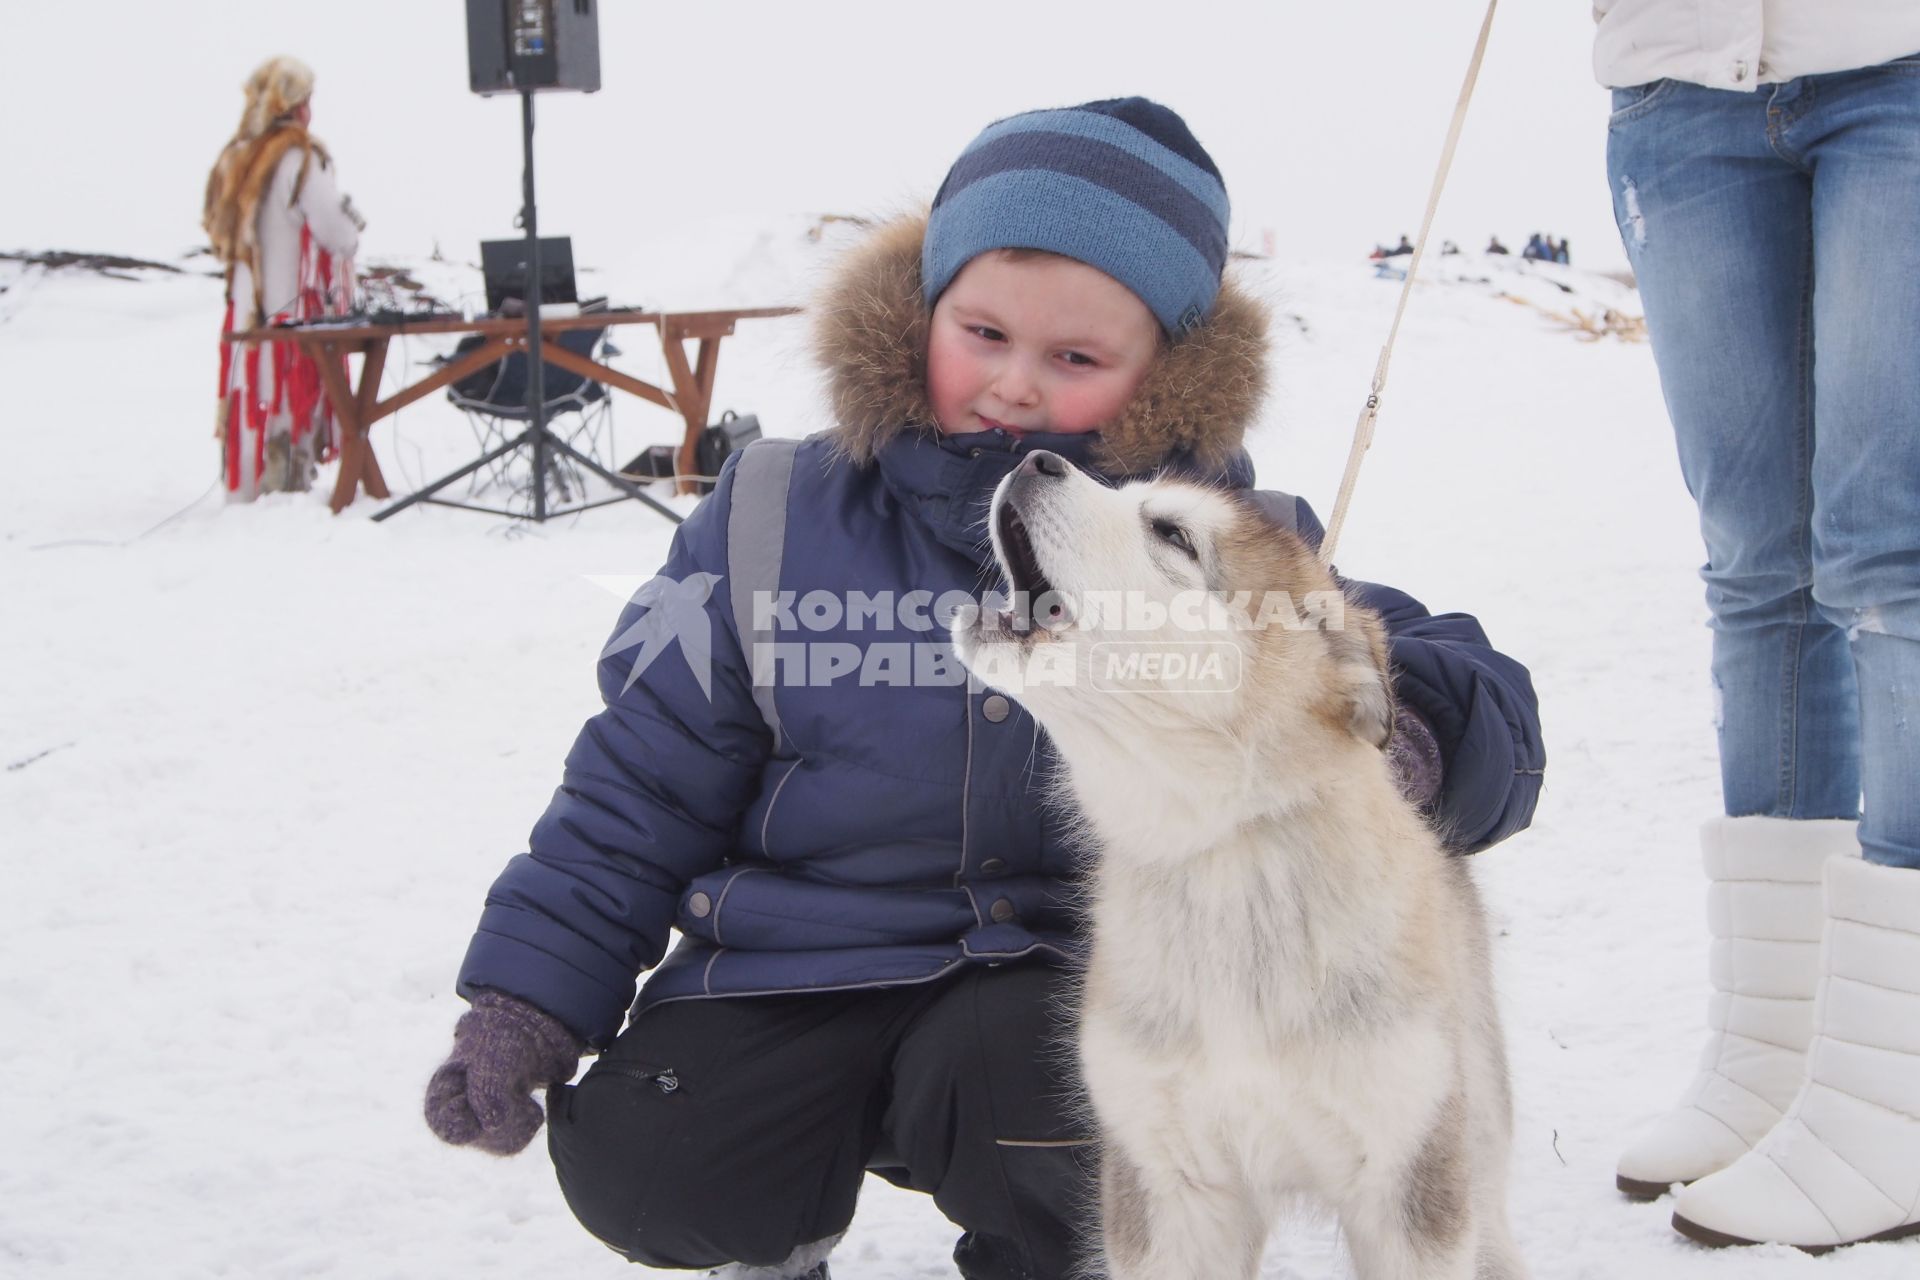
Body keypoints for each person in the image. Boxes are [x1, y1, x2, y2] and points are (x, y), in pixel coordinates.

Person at [423, 97, 1545, 1280]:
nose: (1013, 384)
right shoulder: (769, 515)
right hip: (793, 965)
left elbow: (1469, 692)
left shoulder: (1209, 547)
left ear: (1164, 373)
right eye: (983, 331)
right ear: (921, 314)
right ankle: (782, 1220)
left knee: (1078, 1134)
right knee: (651, 1162)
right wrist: (526, 1001)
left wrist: (1399, 733)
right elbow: (636, 787)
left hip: (1026, 990)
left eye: (1074, 359)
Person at [1596, 1, 1920, 1252]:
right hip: (1679, 86)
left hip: (1895, 65)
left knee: (1890, 551)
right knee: (1757, 567)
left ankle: (1895, 1087)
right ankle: (1782, 1050)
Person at [202, 56, 364, 499]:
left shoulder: (233, 159)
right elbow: (336, 231)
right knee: (285, 402)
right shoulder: (300, 159)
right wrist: (352, 227)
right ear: (292, 105)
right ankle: (283, 492)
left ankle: (246, 489)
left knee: (249, 397)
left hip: (244, 311)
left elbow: (215, 231)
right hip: (291, 313)